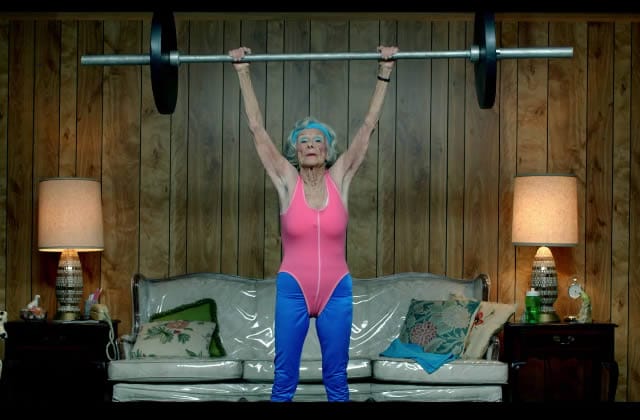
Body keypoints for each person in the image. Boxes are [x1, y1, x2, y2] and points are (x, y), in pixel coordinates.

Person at [229, 45, 398, 402]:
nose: (310, 145)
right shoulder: (286, 181)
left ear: (326, 150)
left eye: (317, 140)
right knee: (284, 380)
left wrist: (385, 70)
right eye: (303, 141)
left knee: (336, 379)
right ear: (295, 150)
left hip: (337, 289)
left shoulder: (341, 178)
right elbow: (257, 129)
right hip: (293, 288)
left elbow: (368, 127)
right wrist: (242, 70)